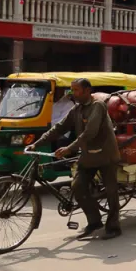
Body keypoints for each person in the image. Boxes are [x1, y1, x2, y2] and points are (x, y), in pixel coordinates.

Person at [29, 78, 122, 240]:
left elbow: (90, 132)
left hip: (106, 155)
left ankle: (114, 226)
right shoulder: (77, 109)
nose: (73, 93)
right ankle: (94, 222)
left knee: (111, 190)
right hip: (88, 156)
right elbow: (59, 128)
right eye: (72, 90)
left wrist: (69, 148)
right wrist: (37, 143)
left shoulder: (97, 106)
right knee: (77, 186)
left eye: (76, 90)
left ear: (87, 91)